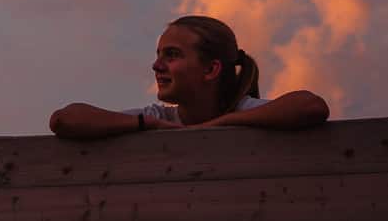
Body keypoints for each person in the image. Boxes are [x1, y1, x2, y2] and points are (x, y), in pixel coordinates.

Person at [48, 14, 330, 138]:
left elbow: (311, 106)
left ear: (211, 70)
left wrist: (223, 124)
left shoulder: (247, 112)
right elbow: (64, 119)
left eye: (171, 55)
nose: (156, 66)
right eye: (159, 54)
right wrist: (145, 124)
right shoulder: (158, 118)